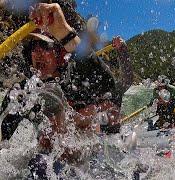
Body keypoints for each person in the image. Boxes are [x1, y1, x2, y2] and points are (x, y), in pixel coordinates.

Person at [0, 1, 133, 178]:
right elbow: (4, 132)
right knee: (38, 165)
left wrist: (64, 33)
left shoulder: (76, 80)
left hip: (91, 162)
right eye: (34, 47)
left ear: (60, 53)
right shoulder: (25, 92)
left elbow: (107, 82)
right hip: (50, 162)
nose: (37, 53)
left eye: (45, 47)